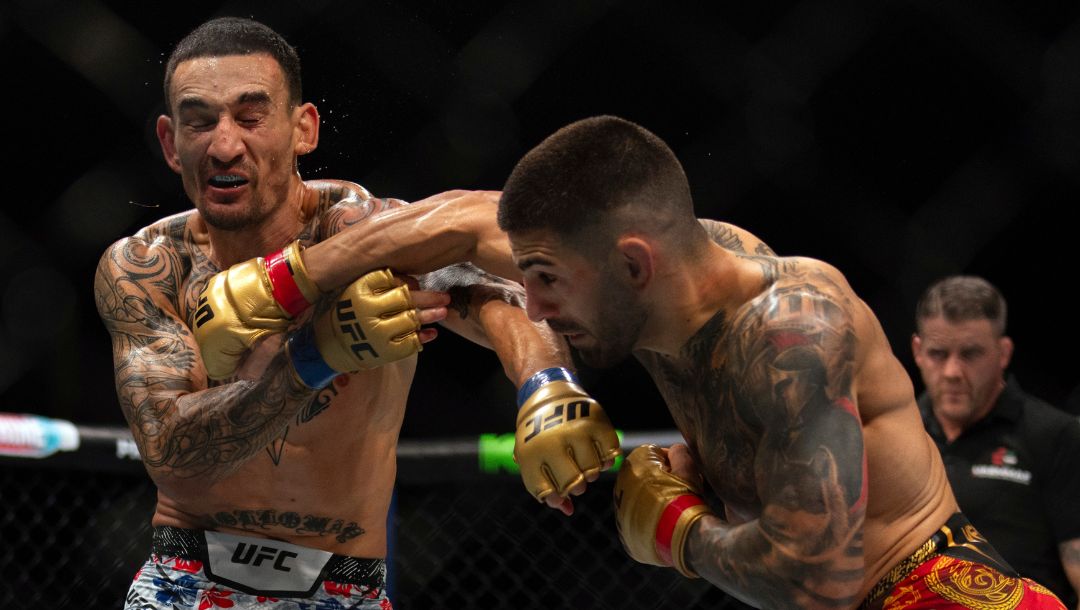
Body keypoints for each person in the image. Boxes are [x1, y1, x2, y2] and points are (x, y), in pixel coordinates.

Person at [95, 18, 618, 609]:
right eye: (200, 121)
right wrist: (314, 358)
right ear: (170, 142)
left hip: (342, 588)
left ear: (303, 130)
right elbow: (174, 457)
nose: (223, 145)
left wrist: (543, 383)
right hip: (186, 579)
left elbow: (497, 293)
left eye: (250, 117)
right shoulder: (147, 267)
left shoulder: (370, 232)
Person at [496, 115, 1066, 609]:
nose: (537, 307)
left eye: (546, 280)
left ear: (634, 267)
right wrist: (544, 382)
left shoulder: (794, 331)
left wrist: (675, 528)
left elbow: (817, 582)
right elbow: (457, 230)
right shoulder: (644, 296)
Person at [911, 275, 1080, 608]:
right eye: (938, 354)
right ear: (917, 350)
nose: (952, 372)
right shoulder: (897, 435)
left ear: (1003, 353)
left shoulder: (1054, 435)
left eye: (970, 354)